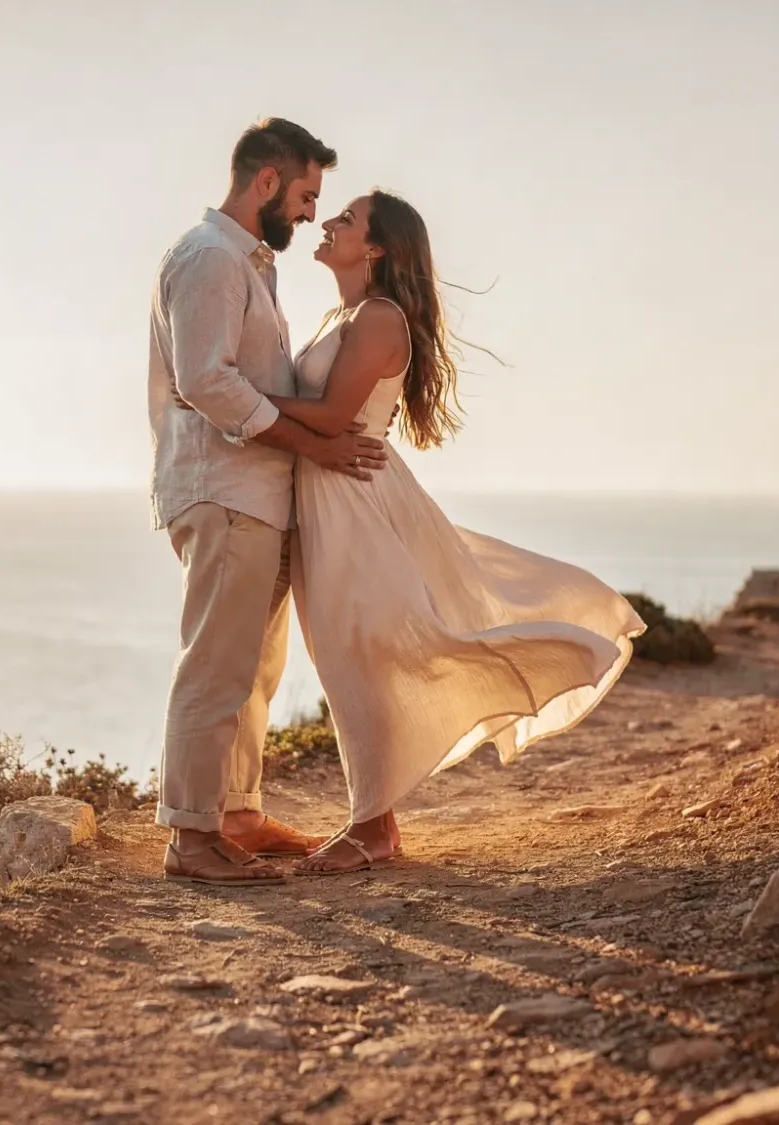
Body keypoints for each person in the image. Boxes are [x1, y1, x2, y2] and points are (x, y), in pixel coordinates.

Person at [184, 188, 645, 875]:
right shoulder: (342, 315)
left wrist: (224, 394)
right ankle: (376, 823)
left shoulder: (378, 318)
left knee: (360, 650)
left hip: (354, 498)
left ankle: (373, 828)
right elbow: (323, 412)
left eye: (346, 218)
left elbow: (336, 416)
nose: (329, 222)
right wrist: (237, 399)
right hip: (331, 493)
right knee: (353, 650)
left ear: (373, 248)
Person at [147, 118, 387, 887]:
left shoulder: (249, 265)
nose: (314, 213)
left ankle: (237, 815)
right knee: (217, 664)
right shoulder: (209, 259)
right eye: (308, 195)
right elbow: (206, 380)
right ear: (266, 183)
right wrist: (314, 445)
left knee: (253, 667)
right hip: (222, 489)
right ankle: (191, 835)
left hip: (257, 493)